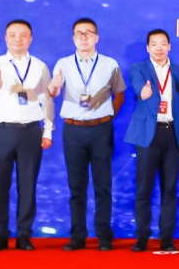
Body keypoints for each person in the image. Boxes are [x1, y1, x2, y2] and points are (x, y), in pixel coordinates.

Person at [48, 18, 126, 251]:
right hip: (73, 130)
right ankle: (77, 236)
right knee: (76, 186)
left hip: (101, 129)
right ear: (73, 38)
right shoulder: (63, 64)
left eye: (88, 33)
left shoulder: (109, 64)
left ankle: (104, 235)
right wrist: (54, 86)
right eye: (79, 34)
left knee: (103, 185)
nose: (84, 37)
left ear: (96, 38)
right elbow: (52, 92)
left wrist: (107, 117)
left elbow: (119, 95)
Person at [0, 19, 54, 252]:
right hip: (0, 131)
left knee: (28, 185)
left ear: (30, 39)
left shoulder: (40, 66)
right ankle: (0, 235)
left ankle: (24, 235)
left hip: (31, 131)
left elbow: (47, 100)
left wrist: (47, 130)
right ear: (6, 38)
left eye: (23, 35)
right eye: (13, 35)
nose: (18, 39)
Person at [125, 29, 179, 253]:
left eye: (163, 43)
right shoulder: (138, 68)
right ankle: (142, 237)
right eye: (154, 44)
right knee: (143, 189)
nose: (159, 48)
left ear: (169, 46)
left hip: (172, 133)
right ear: (148, 48)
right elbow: (136, 85)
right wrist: (142, 92)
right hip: (147, 134)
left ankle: (167, 238)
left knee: (169, 189)